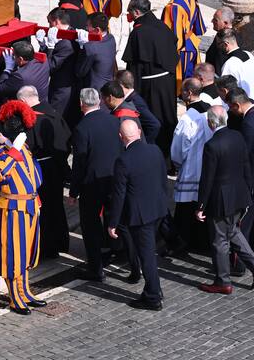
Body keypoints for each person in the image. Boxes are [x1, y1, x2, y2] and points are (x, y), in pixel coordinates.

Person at [0, 100, 46, 315]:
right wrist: (13, 151)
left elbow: (35, 176)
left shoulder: (25, 150)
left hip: (30, 205)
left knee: (28, 252)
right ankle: (14, 296)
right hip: (12, 208)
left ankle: (24, 290)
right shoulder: (2, 154)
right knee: (14, 253)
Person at [108, 119, 168, 311]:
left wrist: (113, 223)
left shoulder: (123, 161)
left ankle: (152, 297)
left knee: (147, 256)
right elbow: (163, 180)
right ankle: (155, 289)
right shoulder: (155, 150)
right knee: (149, 252)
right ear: (140, 132)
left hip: (139, 217)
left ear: (120, 137)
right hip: (157, 210)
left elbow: (119, 195)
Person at [197, 106, 254, 294]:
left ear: (210, 122)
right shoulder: (237, 136)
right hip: (239, 195)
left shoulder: (212, 146)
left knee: (220, 240)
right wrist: (247, 190)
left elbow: (207, 179)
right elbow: (246, 165)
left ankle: (223, 281)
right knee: (235, 234)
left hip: (220, 201)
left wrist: (201, 205)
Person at [70, 88, 122, 281]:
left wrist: (73, 191)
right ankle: (115, 250)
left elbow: (79, 163)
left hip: (92, 184)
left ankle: (96, 268)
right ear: (99, 101)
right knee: (113, 216)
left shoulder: (82, 128)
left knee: (90, 225)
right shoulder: (113, 120)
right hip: (114, 178)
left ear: (81, 104)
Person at [18, 85, 71, 259]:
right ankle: (62, 242)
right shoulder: (55, 114)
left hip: (41, 169)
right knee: (57, 206)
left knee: (44, 210)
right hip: (57, 166)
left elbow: (29, 146)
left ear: (24, 101)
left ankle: (48, 248)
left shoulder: (33, 119)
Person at [122, 0, 179, 154]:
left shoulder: (138, 32)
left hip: (150, 86)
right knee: (168, 116)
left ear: (137, 12)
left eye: (129, 11)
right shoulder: (161, 25)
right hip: (168, 81)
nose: (128, 14)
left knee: (153, 120)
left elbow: (134, 65)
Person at [170, 78, 212, 249]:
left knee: (186, 210)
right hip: (208, 166)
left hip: (191, 169)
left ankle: (183, 242)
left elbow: (178, 148)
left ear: (188, 93)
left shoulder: (188, 118)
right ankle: (203, 242)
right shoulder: (211, 111)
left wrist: (178, 165)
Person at [158, 0, 207, 92]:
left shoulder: (173, 6)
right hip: (193, 45)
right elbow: (199, 27)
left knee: (184, 88)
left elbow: (173, 38)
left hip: (181, 50)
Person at [36, 7, 78, 124]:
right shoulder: (70, 32)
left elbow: (50, 66)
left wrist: (48, 47)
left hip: (62, 89)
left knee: (54, 119)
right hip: (62, 85)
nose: (49, 26)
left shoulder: (66, 43)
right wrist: (43, 45)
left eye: (50, 23)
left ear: (56, 22)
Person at [225, 87, 254, 244]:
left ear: (236, 105)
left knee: (246, 221)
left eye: (230, 107)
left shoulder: (248, 124)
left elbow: (246, 154)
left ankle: (241, 262)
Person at [0, 40, 49, 105]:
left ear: (21, 59)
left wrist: (8, 69)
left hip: (28, 110)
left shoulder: (19, 76)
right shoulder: (44, 62)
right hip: (43, 104)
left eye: (13, 55)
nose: (12, 57)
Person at [75, 12, 115, 92]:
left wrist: (82, 46)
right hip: (107, 86)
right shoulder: (110, 38)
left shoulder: (90, 47)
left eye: (87, 27)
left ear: (97, 30)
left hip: (94, 91)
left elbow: (80, 72)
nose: (86, 29)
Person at [218, 28, 254, 96]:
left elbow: (226, 92)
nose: (218, 47)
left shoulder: (229, 64)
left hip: (242, 102)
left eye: (219, 44)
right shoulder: (249, 54)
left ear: (226, 44)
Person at [206, 7, 234, 74]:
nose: (212, 21)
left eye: (215, 20)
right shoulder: (220, 34)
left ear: (225, 23)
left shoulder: (227, 41)